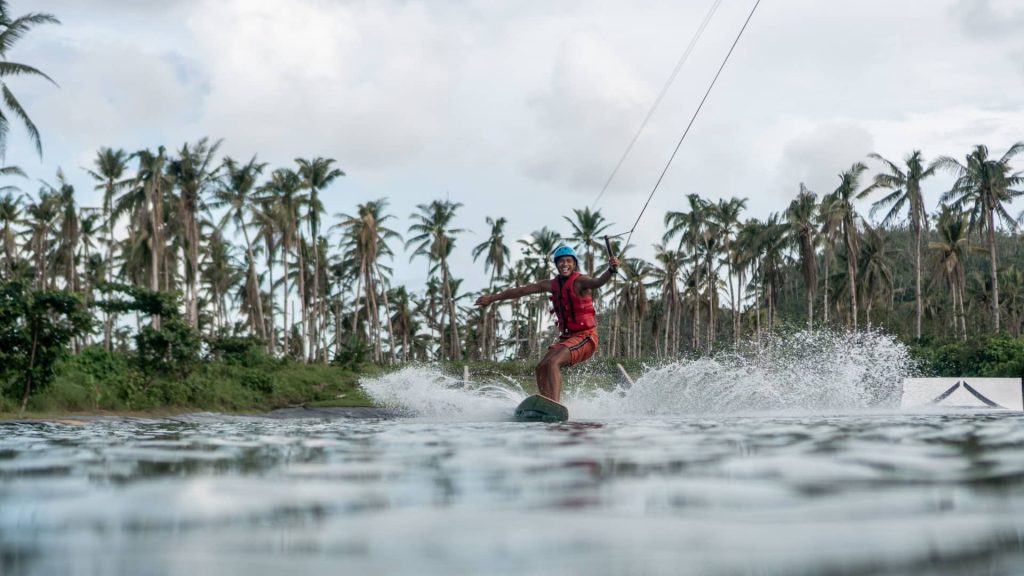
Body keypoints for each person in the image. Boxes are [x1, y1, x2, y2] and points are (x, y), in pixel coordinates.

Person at [474, 245, 619, 403]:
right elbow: (522, 291)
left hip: (586, 337)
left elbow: (598, 282)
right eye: (561, 261)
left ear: (574, 264)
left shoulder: (580, 281)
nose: (565, 264)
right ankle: (545, 402)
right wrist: (492, 298)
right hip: (568, 338)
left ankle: (554, 404)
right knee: (541, 367)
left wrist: (610, 270)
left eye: (569, 261)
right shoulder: (551, 284)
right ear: (556, 264)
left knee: (552, 363)